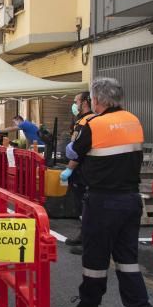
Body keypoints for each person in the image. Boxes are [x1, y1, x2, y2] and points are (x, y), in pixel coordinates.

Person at [56, 77, 153, 307]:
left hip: (103, 200)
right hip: (131, 200)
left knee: (95, 260)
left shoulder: (94, 124)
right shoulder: (134, 120)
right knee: (128, 262)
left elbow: (72, 151)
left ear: (97, 100)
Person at [60, 91, 94, 251]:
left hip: (83, 170)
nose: (74, 105)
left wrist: (69, 169)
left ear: (85, 102)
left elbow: (80, 150)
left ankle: (88, 241)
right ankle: (83, 236)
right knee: (80, 207)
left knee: (86, 206)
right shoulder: (80, 120)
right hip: (79, 169)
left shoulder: (89, 121)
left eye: (76, 101)